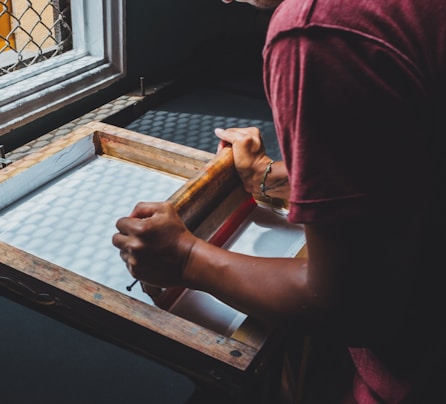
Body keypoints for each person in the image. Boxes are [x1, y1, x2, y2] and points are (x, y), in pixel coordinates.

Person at [112, 0, 446, 403]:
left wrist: (184, 257)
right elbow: (406, 165)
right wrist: (271, 177)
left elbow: (355, 306)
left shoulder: (318, 32)